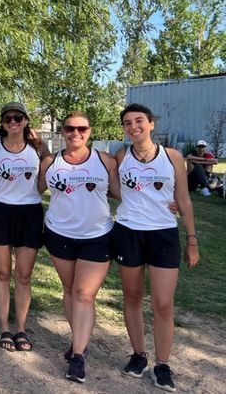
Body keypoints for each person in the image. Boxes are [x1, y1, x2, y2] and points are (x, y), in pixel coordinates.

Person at [113, 103, 199, 392]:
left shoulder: (172, 157)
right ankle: (138, 355)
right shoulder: (121, 155)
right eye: (127, 123)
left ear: (151, 124)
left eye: (139, 121)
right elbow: (112, 188)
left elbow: (184, 200)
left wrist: (191, 240)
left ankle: (163, 364)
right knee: (133, 296)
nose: (133, 126)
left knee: (163, 303)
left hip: (163, 233)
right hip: (128, 231)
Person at [38, 112, 119, 383]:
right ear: (62, 131)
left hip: (97, 235)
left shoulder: (104, 160)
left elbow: (123, 192)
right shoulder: (50, 162)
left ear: (89, 131)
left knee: (84, 294)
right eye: (70, 128)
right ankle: (79, 340)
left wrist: (167, 201)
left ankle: (78, 356)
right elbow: (34, 189)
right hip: (59, 233)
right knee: (70, 291)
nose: (76, 133)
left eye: (81, 129)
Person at [0, 102, 48, 352]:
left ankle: (20, 327)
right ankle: (3, 327)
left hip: (29, 212)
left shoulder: (37, 148)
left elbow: (44, 183)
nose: (13, 122)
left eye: (18, 117)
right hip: (0, 211)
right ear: (2, 122)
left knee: (23, 275)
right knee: (2, 273)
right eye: (8, 118)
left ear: (25, 120)